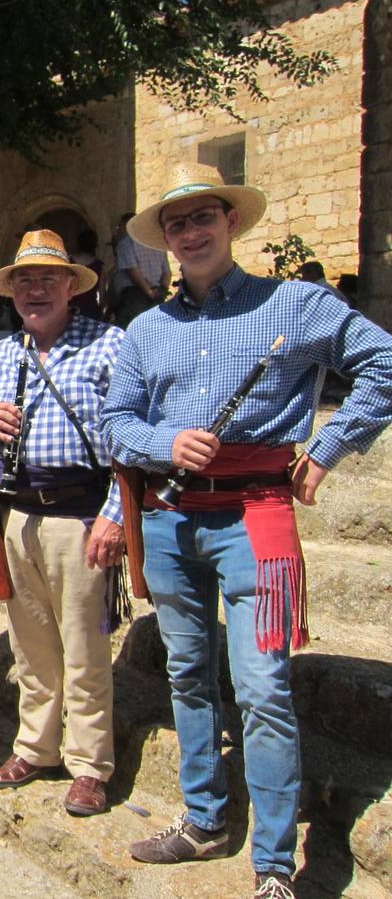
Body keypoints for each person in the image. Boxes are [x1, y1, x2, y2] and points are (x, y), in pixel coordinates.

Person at [101, 163, 392, 899]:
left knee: (262, 689)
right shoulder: (145, 329)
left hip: (256, 517)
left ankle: (273, 864)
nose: (190, 232)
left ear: (231, 222)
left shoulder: (295, 304)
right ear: (164, 240)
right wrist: (164, 443)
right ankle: (204, 821)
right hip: (168, 521)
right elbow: (115, 422)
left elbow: (384, 365)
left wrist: (327, 449)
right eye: (176, 223)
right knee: (188, 673)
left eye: (203, 216)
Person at [0, 230, 126, 816]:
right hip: (18, 515)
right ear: (12, 292)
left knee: (84, 647)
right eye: (25, 280)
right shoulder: (0, 356)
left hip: (82, 517)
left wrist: (115, 516)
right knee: (29, 647)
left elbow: (131, 441)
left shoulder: (109, 345)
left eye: (48, 278)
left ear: (71, 287)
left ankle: (90, 765)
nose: (35, 290)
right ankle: (35, 747)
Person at [109, 212, 171, 327]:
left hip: (135, 295)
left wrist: (149, 292)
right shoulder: (155, 243)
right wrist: (162, 290)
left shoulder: (126, 244)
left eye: (119, 226)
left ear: (127, 225)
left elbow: (133, 272)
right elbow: (167, 272)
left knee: (130, 328)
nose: (118, 229)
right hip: (157, 293)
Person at [69, 229, 105, 320]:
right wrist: (101, 311)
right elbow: (102, 292)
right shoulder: (98, 265)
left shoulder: (68, 262)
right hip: (90, 309)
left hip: (69, 308)